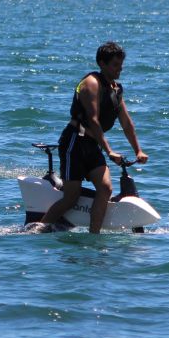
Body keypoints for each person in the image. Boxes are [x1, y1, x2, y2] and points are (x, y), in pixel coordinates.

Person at [39, 41, 148, 233]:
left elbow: (126, 123)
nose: (119, 70)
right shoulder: (91, 83)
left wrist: (138, 150)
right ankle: (38, 228)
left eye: (121, 66)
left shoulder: (115, 89)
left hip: (92, 144)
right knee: (71, 197)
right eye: (115, 65)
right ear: (102, 63)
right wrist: (109, 151)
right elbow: (94, 120)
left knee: (105, 188)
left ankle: (93, 236)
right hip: (75, 141)